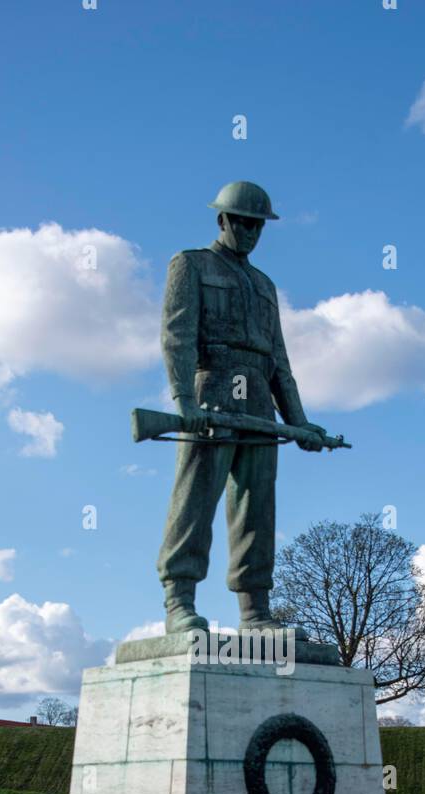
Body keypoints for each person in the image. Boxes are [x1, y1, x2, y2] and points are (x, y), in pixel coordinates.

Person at [157, 181, 326, 634]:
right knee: (195, 500)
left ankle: (255, 613)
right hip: (212, 390)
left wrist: (299, 423)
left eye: (257, 225)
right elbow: (177, 337)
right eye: (242, 222)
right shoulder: (191, 264)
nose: (250, 232)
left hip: (257, 397)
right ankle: (179, 600)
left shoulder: (265, 285)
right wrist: (184, 400)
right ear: (223, 220)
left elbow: (279, 361)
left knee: (257, 509)